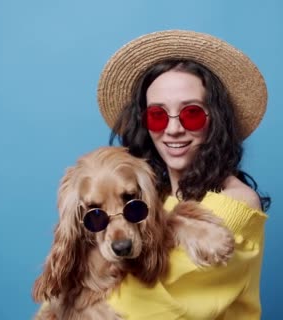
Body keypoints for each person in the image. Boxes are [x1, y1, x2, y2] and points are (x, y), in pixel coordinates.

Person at [96, 30, 271, 319]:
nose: (173, 129)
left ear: (214, 119)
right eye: (157, 115)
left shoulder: (236, 203)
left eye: (191, 113)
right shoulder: (154, 200)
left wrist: (82, 289)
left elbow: (151, 307)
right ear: (144, 123)